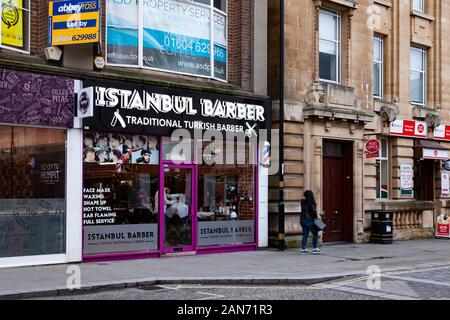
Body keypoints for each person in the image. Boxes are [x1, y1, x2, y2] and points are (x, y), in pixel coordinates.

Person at [300, 190, 321, 255]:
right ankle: (314, 248)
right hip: (310, 220)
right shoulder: (311, 202)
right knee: (315, 234)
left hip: (302, 219)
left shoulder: (302, 202)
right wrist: (317, 219)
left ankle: (303, 249)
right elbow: (314, 212)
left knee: (305, 234)